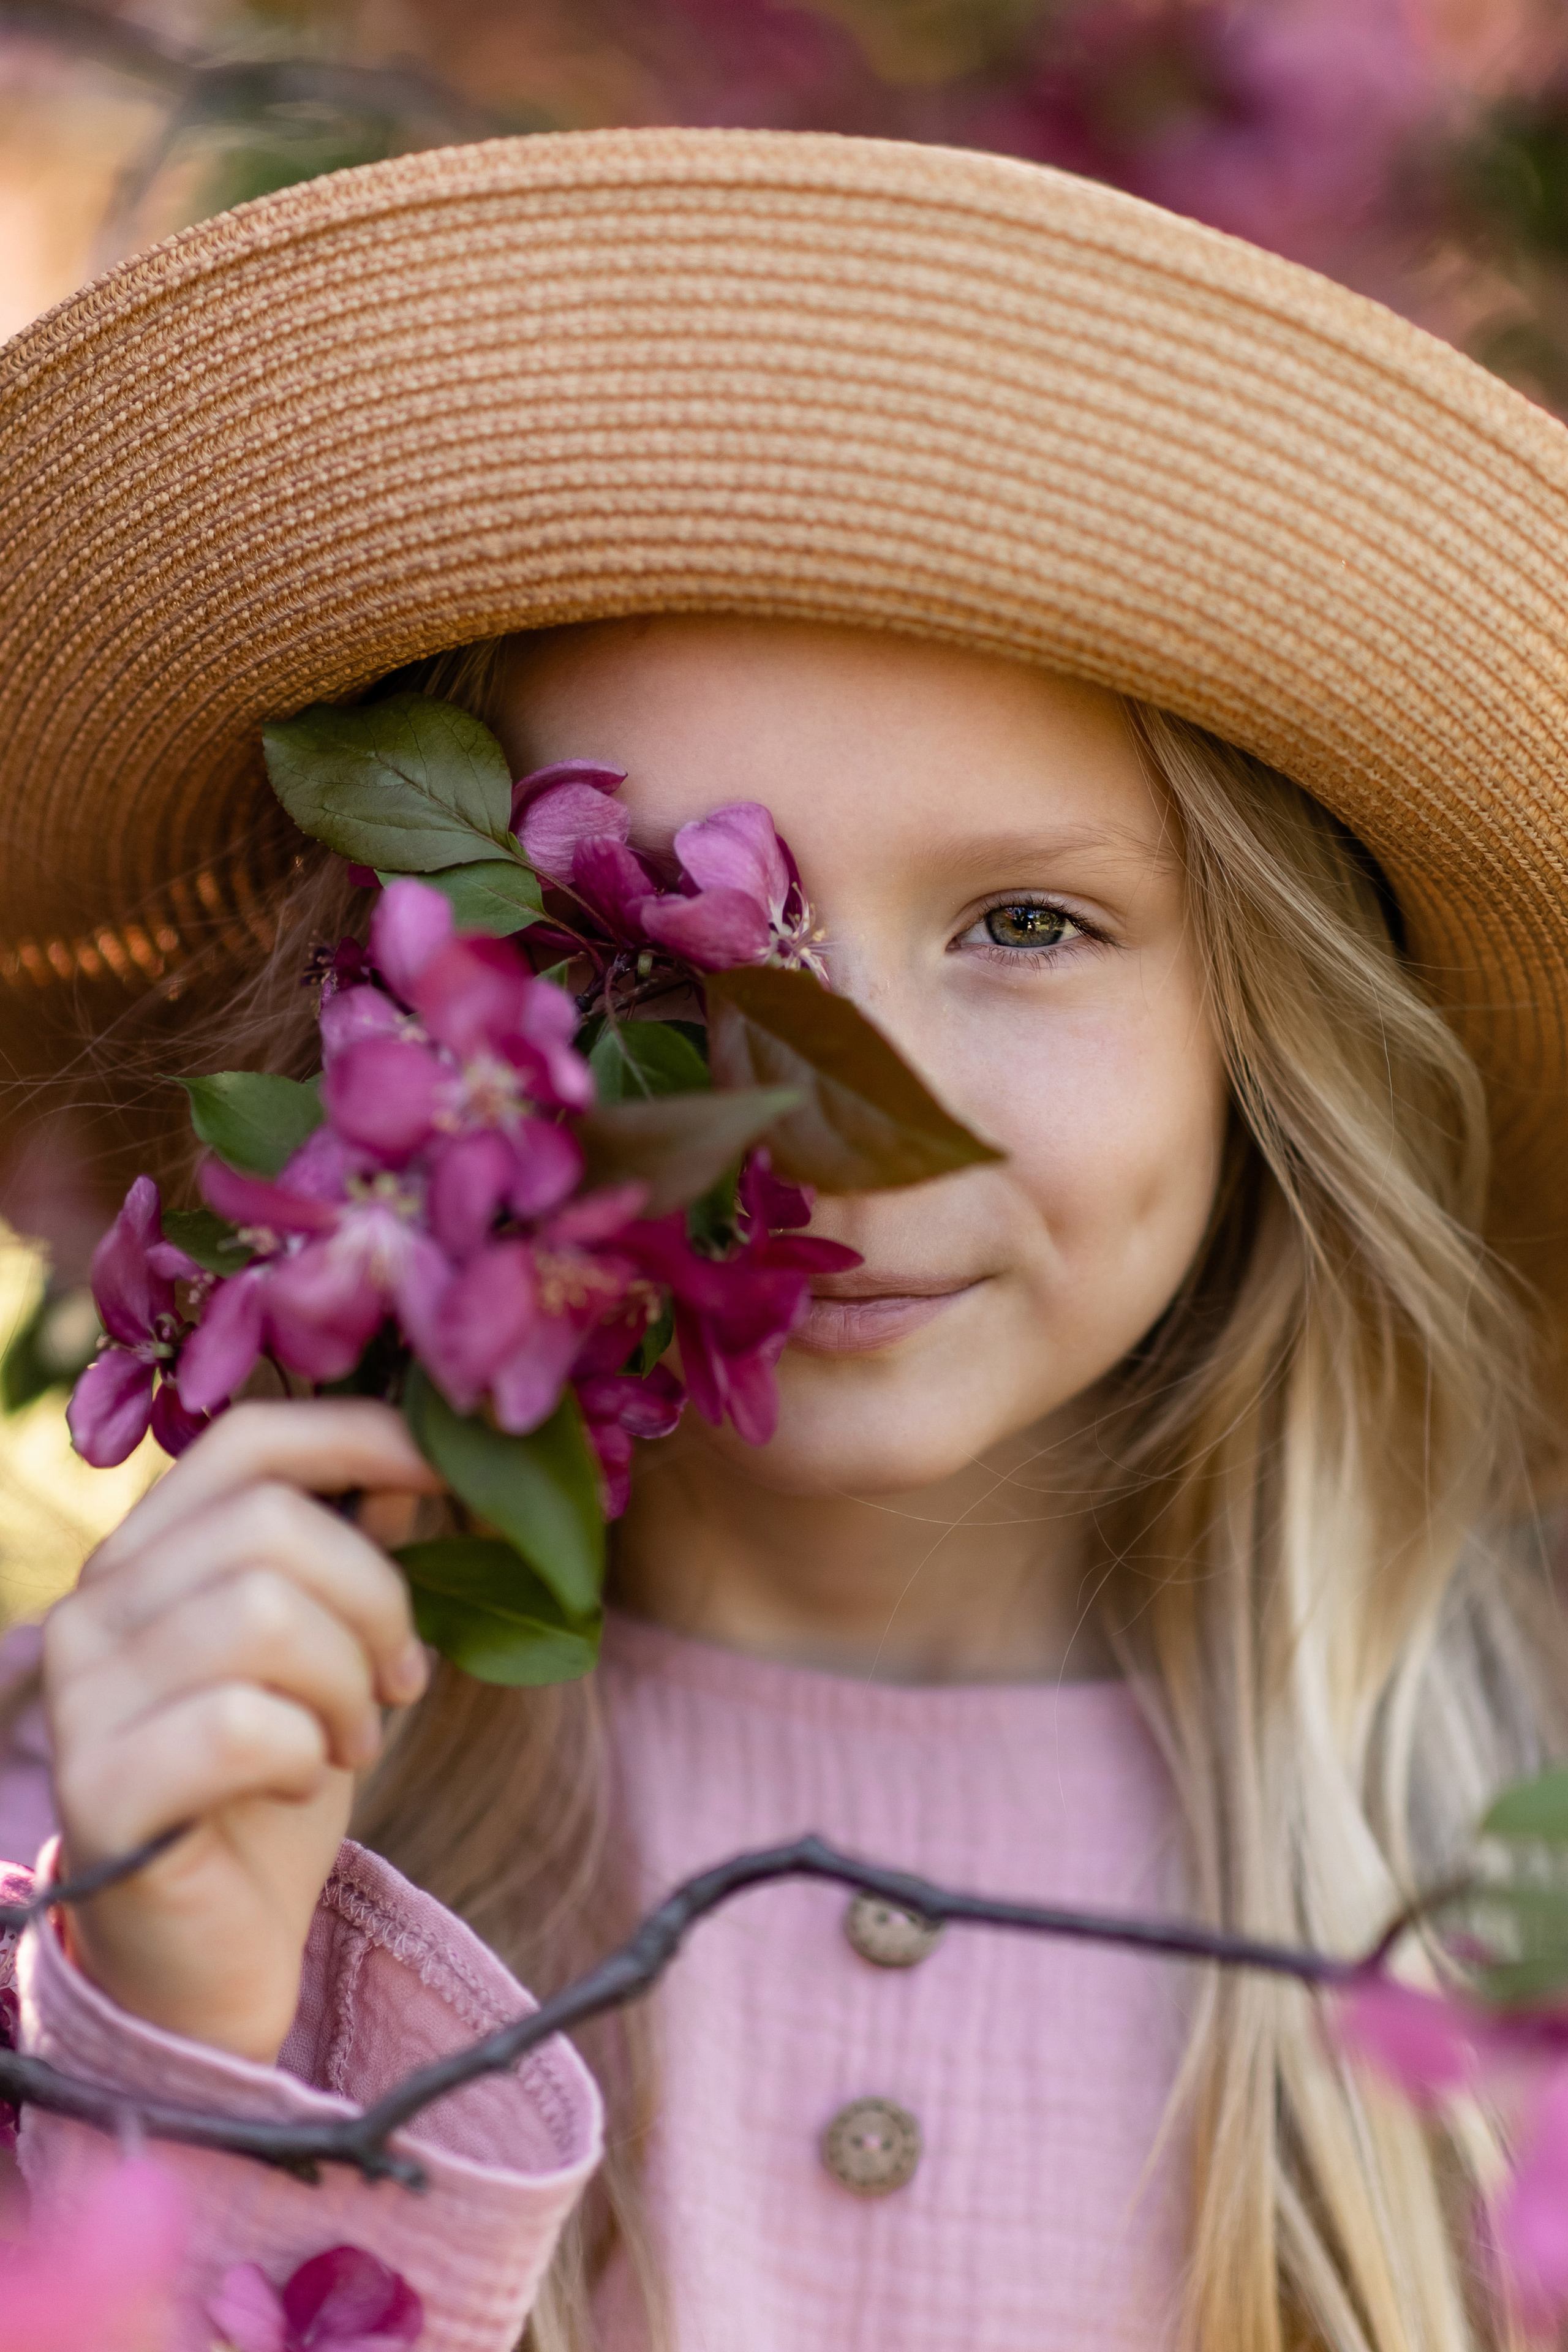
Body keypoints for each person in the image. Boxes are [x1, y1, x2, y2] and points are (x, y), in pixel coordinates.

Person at [1, 127, 1566, 2352]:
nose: (840, 1119)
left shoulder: (1488, 1881)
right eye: (663, 954)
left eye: (1032, 922)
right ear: (407, 1009)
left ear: (1263, 1031)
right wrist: (187, 2032)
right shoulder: (178, 1809)